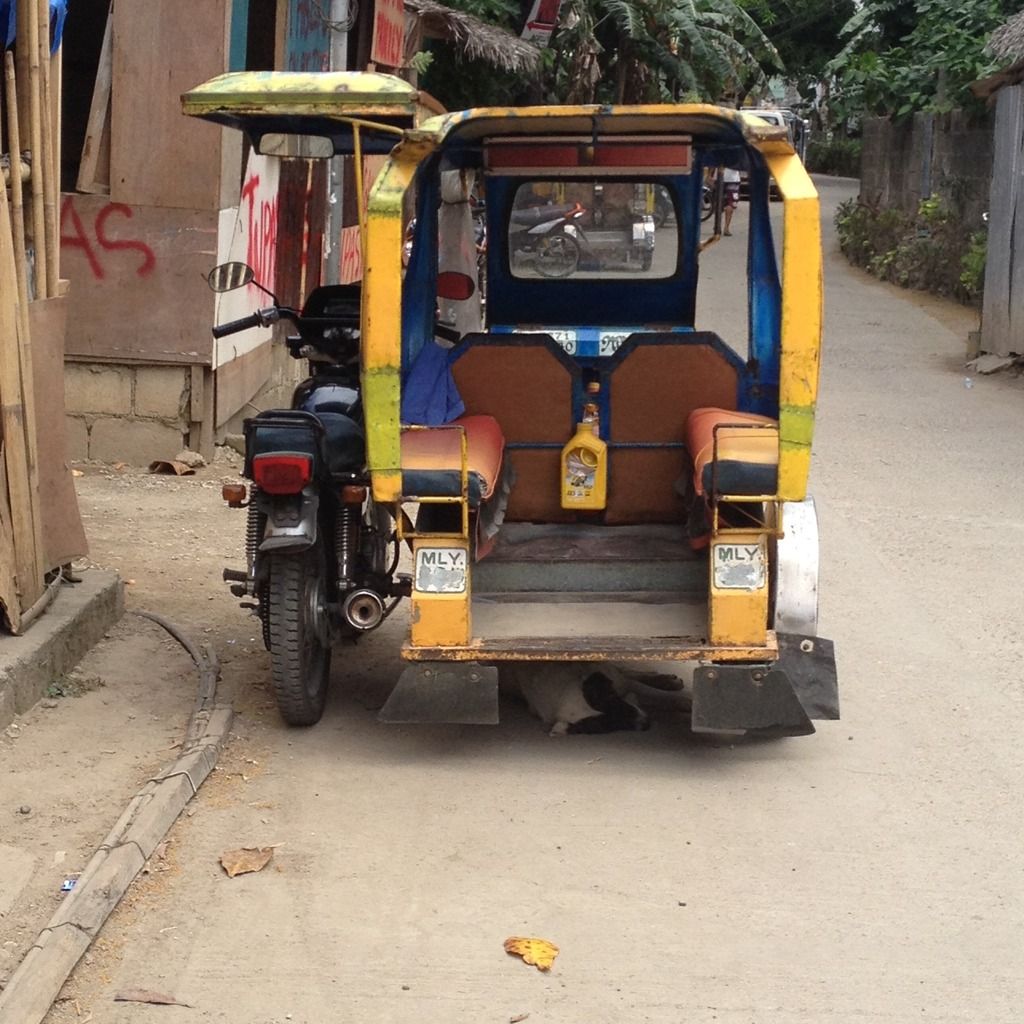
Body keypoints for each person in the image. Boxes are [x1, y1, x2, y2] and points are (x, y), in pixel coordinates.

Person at [722, 166, 741, 236]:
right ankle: (726, 228)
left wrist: (709, 175)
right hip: (733, 180)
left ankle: (716, 226)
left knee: (719, 202)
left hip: (719, 177)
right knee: (730, 204)